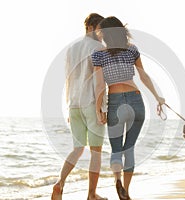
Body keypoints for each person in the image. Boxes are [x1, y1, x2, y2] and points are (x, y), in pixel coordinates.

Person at [92, 16, 165, 200]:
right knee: (129, 149)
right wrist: (158, 97)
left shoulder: (99, 54)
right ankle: (126, 191)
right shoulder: (132, 50)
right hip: (136, 100)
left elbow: (100, 86)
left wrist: (98, 110)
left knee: (116, 150)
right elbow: (144, 77)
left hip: (115, 102)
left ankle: (117, 179)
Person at [52, 13, 108, 200]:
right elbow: (99, 83)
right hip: (92, 104)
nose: (102, 34)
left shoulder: (71, 49)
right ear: (91, 27)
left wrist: (69, 105)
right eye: (100, 29)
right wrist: (102, 109)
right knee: (96, 152)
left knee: (77, 149)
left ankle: (60, 183)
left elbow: (68, 79)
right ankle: (91, 194)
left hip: (73, 104)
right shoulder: (99, 47)